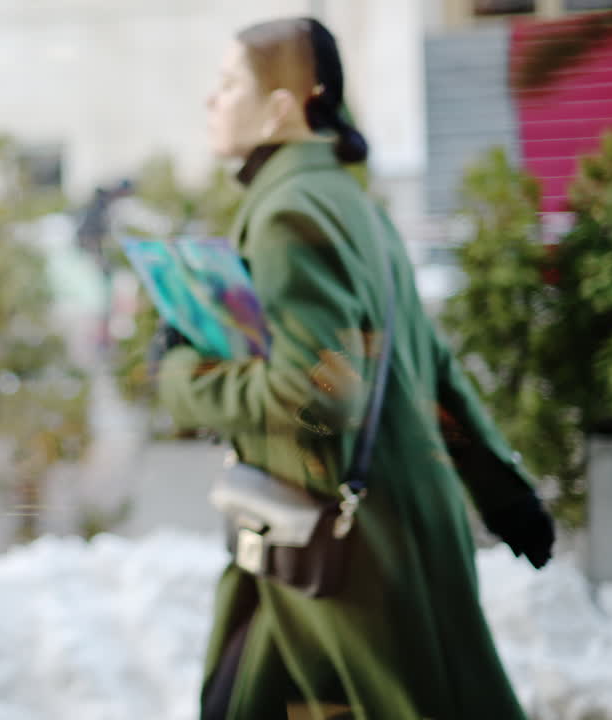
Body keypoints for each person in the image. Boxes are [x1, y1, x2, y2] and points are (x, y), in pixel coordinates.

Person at [149, 17, 555, 719]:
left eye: (227, 84)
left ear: (282, 106)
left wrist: (183, 376)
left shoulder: (287, 213)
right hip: (354, 536)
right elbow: (430, 368)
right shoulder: (353, 204)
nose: (211, 100)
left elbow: (316, 392)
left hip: (343, 552)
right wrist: (501, 491)